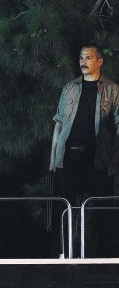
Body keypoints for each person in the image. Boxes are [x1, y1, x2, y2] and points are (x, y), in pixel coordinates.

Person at [50, 44, 119, 258]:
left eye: (88, 57)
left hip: (98, 160)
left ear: (99, 61)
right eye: (81, 57)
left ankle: (104, 263)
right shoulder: (70, 87)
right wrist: (53, 159)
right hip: (69, 157)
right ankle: (61, 258)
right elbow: (59, 124)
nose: (83, 61)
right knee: (63, 212)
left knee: (100, 214)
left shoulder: (112, 89)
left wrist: (114, 160)